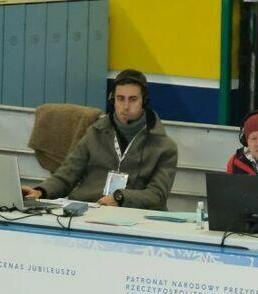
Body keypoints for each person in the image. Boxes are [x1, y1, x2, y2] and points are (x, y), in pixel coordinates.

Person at [23, 69, 178, 209]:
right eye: (120, 99)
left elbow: (157, 195)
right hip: (89, 209)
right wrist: (40, 191)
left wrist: (121, 197)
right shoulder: (94, 133)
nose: (125, 106)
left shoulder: (164, 147)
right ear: (112, 100)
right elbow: (66, 175)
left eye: (132, 99)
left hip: (133, 215)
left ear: (144, 101)